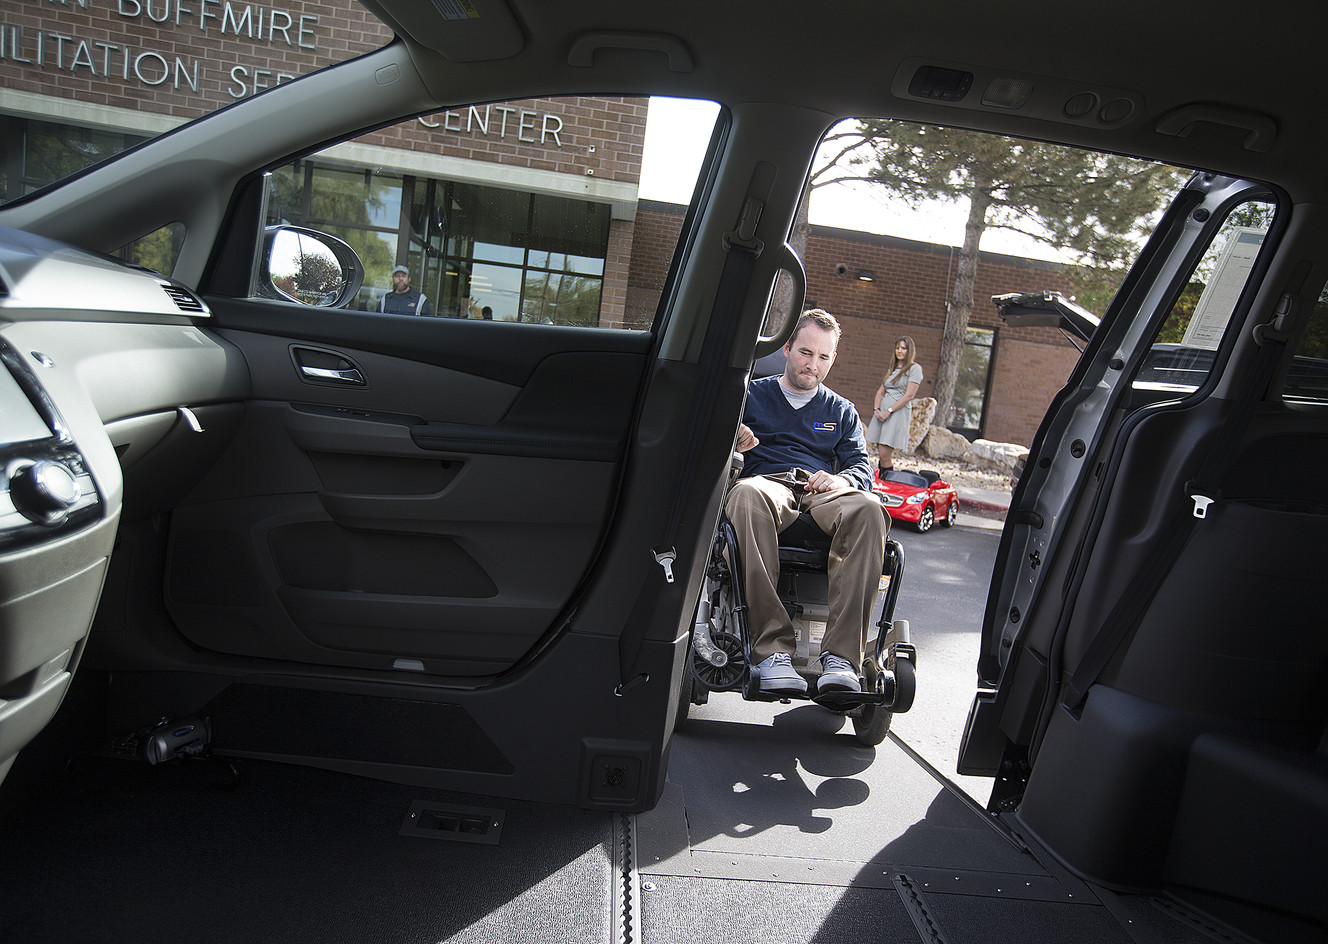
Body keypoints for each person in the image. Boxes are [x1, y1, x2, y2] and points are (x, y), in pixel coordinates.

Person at [726, 309, 889, 696]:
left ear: (833, 359)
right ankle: (772, 652)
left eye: (823, 357)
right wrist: (733, 440)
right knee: (746, 496)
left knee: (869, 508)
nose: (812, 365)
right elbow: (709, 445)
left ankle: (842, 659)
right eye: (805, 352)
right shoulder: (750, 395)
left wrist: (839, 479)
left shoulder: (842, 411)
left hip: (822, 492)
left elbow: (860, 467)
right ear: (786, 349)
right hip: (768, 483)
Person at [863, 335, 922, 476]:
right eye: (897, 348)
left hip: (896, 414)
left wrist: (888, 411)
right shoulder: (893, 369)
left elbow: (909, 395)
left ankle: (887, 481)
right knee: (879, 451)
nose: (899, 351)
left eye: (903, 348)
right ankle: (881, 480)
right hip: (882, 413)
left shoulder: (914, 369)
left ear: (910, 351)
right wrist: (877, 409)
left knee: (884, 453)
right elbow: (880, 392)